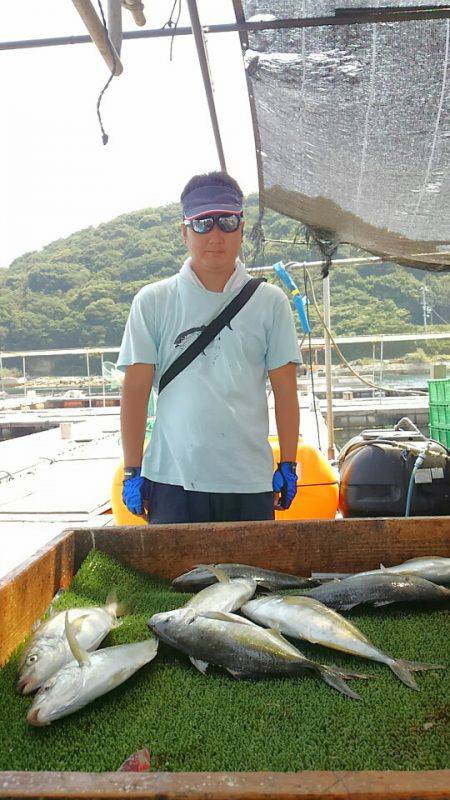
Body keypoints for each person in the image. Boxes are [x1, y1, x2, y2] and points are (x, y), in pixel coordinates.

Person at [118, 171, 301, 524]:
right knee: (175, 580)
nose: (215, 235)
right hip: (172, 479)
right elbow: (136, 392)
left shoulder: (271, 302)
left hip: (250, 480)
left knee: (250, 580)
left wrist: (289, 462)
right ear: (184, 231)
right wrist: (132, 468)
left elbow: (286, 392)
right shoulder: (153, 301)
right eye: (202, 223)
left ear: (242, 228)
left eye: (227, 221)